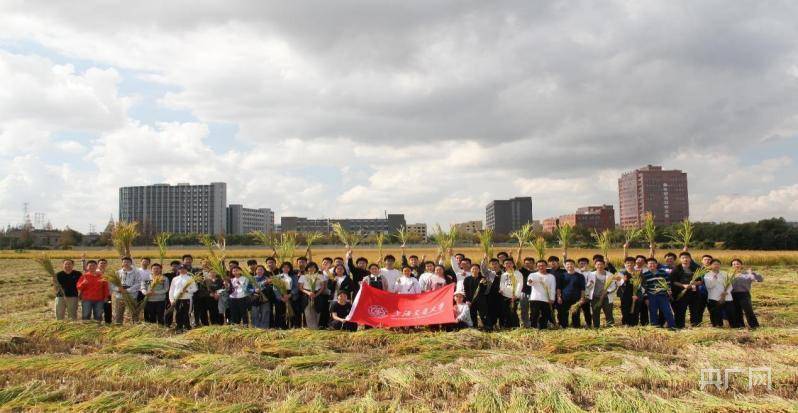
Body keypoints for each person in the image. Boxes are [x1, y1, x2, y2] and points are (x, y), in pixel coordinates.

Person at [669, 252, 703, 328]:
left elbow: (700, 281)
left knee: (694, 310)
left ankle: (695, 326)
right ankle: (680, 326)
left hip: (694, 293)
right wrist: (683, 285)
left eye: (687, 257)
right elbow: (673, 282)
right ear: (680, 259)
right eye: (683, 258)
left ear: (690, 259)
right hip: (681, 293)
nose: (685, 259)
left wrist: (695, 283)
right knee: (680, 310)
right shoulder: (676, 269)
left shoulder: (695, 268)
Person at [586, 259, 622, 328]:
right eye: (598, 264)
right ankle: (596, 327)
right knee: (595, 313)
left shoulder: (610, 274)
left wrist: (607, 291)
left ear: (604, 265)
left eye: (601, 264)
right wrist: (590, 284)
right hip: (595, 297)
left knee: (608, 313)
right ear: (595, 266)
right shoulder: (590, 274)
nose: (600, 266)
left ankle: (610, 327)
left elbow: (614, 286)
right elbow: (588, 287)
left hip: (606, 298)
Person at [641, 258, 675, 329]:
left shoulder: (663, 273)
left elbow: (668, 283)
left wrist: (669, 290)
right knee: (653, 312)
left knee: (667, 311)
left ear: (657, 264)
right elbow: (644, 288)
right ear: (647, 265)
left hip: (662, 295)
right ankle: (655, 327)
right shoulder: (645, 275)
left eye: (653, 263)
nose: (652, 265)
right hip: (651, 295)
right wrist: (646, 298)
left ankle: (671, 326)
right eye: (650, 264)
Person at [730, 259, 763, 329]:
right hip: (732, 295)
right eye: (734, 264)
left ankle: (754, 325)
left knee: (748, 310)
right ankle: (740, 325)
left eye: (738, 263)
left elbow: (760, 279)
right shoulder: (729, 275)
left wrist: (752, 273)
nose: (736, 265)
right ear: (731, 266)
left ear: (741, 265)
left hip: (744, 294)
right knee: (737, 311)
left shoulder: (747, 274)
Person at [704, 259, 736, 328]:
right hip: (714, 297)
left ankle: (733, 326)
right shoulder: (707, 275)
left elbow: (730, 285)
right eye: (714, 264)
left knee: (730, 312)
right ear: (711, 265)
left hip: (727, 296)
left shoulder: (725, 273)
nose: (716, 266)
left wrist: (725, 293)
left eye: (718, 264)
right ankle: (718, 326)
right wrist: (714, 279)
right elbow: (709, 286)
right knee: (715, 313)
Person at [110, 257, 143, 324]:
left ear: (131, 263)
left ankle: (135, 325)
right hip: (120, 296)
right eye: (124, 262)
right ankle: (118, 325)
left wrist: (128, 290)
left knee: (133, 312)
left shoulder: (136, 273)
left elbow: (138, 284)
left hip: (132, 296)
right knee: (119, 312)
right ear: (122, 263)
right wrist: (118, 289)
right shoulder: (117, 273)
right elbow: (112, 285)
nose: (126, 263)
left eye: (128, 262)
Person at [527, 260, 556, 329]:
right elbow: (528, 283)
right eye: (539, 266)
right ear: (537, 267)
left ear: (546, 266)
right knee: (534, 314)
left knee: (545, 314)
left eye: (543, 265)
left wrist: (552, 298)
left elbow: (553, 288)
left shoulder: (551, 276)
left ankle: (543, 328)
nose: (541, 267)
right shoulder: (533, 275)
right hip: (535, 298)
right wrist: (530, 281)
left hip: (546, 299)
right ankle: (533, 327)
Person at [168, 265, 198, 331]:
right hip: (177, 299)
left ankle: (187, 327)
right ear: (178, 270)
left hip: (187, 298)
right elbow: (171, 290)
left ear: (187, 270)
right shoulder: (175, 279)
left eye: (184, 269)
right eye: (180, 269)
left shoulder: (190, 278)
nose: (182, 270)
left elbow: (195, 289)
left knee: (187, 313)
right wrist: (171, 299)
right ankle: (179, 326)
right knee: (178, 312)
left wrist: (187, 290)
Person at [558, 259, 586, 328]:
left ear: (574, 265)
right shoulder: (562, 276)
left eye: (571, 264)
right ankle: (564, 326)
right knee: (564, 313)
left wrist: (582, 298)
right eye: (567, 264)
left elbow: (582, 288)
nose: (569, 266)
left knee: (576, 313)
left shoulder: (580, 276)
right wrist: (558, 297)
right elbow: (558, 288)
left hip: (576, 298)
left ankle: (576, 326)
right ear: (565, 266)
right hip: (565, 297)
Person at [299, 262, 326, 329]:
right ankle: (311, 328)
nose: (311, 269)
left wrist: (316, 294)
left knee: (317, 311)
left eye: (313, 267)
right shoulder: (303, 276)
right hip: (307, 295)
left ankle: (316, 327)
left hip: (318, 295)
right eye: (310, 267)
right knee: (308, 312)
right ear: (307, 268)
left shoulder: (320, 276)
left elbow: (323, 287)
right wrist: (308, 293)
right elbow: (300, 288)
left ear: (316, 268)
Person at [499, 258, 523, 328]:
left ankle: (516, 326)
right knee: (506, 312)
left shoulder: (517, 273)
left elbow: (520, 284)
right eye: (506, 263)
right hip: (505, 296)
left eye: (510, 263)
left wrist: (516, 295)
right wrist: (501, 290)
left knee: (513, 311)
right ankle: (507, 326)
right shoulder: (504, 275)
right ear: (503, 265)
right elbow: (502, 284)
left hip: (514, 296)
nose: (508, 265)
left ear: (513, 264)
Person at [617, 257, 640, 326]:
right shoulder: (621, 273)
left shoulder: (638, 273)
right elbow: (617, 284)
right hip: (624, 295)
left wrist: (637, 294)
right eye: (627, 263)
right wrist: (623, 280)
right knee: (625, 309)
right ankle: (626, 323)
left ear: (634, 264)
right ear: (625, 264)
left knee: (635, 309)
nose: (629, 264)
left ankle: (634, 324)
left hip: (635, 295)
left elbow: (643, 284)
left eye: (631, 263)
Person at [162, 260, 181, 327]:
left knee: (179, 311)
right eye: (173, 266)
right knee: (169, 310)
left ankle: (179, 325)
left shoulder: (183, 275)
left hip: (180, 296)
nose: (175, 267)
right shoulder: (168, 275)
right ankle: (167, 324)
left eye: (176, 266)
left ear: (180, 266)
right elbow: (161, 275)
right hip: (170, 296)